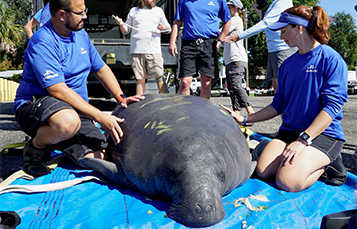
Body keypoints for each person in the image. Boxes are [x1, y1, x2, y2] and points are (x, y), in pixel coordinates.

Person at [222, 5, 348, 192]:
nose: (281, 37)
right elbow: (278, 104)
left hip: (322, 135)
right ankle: (290, 154)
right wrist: (245, 119)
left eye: (283, 31)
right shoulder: (287, 64)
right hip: (290, 132)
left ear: (299, 28)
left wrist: (303, 140)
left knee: (286, 181)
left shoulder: (330, 59)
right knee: (263, 172)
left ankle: (330, 164)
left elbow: (332, 108)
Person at [14, 0, 144, 177]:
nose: (85, 16)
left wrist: (121, 98)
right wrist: (100, 116)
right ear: (62, 14)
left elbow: (100, 68)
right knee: (67, 123)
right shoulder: (42, 41)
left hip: (75, 110)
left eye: (85, 11)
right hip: (35, 106)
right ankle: (36, 147)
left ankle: (57, 141)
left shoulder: (81, 35)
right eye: (80, 12)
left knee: (100, 157)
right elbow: (57, 90)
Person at [223, 0, 296, 93]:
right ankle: (280, 107)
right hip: (273, 49)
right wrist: (260, 13)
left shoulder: (282, 1)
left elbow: (266, 24)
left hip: (282, 49)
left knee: (283, 88)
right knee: (276, 86)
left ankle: (288, 107)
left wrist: (240, 36)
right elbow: (269, 24)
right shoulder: (274, 3)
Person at [168, 0, 231, 99]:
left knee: (206, 83)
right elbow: (177, 21)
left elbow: (227, 21)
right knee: (185, 82)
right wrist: (172, 42)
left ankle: (202, 112)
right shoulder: (183, 1)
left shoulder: (219, 1)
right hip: (189, 43)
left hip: (209, 43)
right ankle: (184, 111)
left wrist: (220, 40)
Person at [113, 0, 171, 95]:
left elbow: (168, 28)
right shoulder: (133, 11)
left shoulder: (158, 11)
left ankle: (166, 98)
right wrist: (121, 24)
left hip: (154, 50)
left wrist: (163, 28)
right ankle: (139, 102)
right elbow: (126, 30)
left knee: (159, 75)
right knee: (140, 78)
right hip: (137, 51)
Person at [220, 0, 254, 121]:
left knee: (236, 85)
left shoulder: (235, 20)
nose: (227, 10)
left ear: (236, 8)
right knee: (232, 87)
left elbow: (220, 32)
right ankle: (236, 111)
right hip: (230, 59)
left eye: (229, 7)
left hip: (237, 58)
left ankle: (250, 110)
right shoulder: (232, 20)